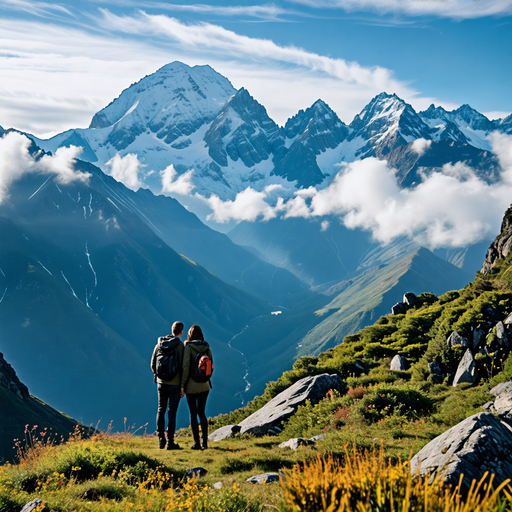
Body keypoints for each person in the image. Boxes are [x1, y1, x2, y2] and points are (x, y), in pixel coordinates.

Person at [151, 321, 184, 450]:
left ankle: (160, 439)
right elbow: (182, 366)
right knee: (172, 413)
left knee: (160, 410)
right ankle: (170, 442)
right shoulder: (180, 346)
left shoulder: (159, 344)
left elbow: (153, 365)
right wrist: (182, 386)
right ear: (181, 332)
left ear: (172, 330)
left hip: (160, 383)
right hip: (175, 385)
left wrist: (160, 376)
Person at [180, 325, 213, 450]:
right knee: (202, 413)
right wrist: (205, 379)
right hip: (205, 386)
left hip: (191, 387)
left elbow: (186, 367)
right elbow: (211, 366)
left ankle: (197, 444)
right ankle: (205, 443)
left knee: (193, 414)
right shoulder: (207, 348)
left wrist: (182, 386)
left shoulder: (188, 348)